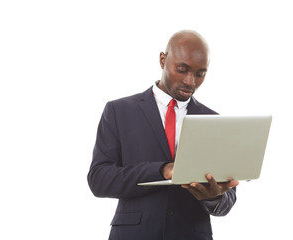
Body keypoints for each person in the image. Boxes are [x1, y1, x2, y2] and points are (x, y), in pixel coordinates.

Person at [87, 30, 239, 240]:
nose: (190, 81)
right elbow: (99, 180)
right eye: (182, 69)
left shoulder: (214, 121)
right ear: (163, 59)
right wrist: (163, 170)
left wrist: (213, 198)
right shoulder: (119, 111)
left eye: (199, 74)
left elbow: (226, 202)